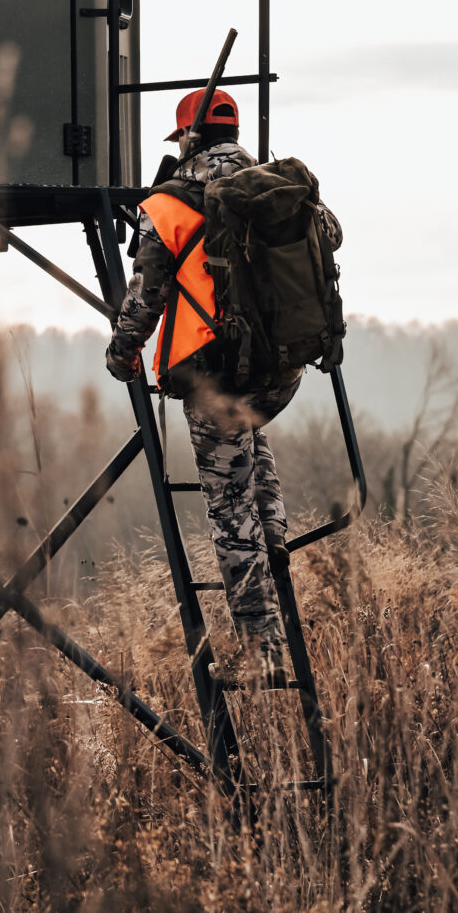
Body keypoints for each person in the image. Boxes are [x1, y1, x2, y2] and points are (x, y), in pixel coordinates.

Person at [105, 87, 340, 680]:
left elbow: (144, 300)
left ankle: (263, 648)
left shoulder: (167, 205)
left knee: (227, 508)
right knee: (250, 438)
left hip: (213, 377)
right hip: (281, 371)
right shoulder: (281, 192)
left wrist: (121, 353)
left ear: (187, 137)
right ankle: (275, 531)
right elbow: (331, 238)